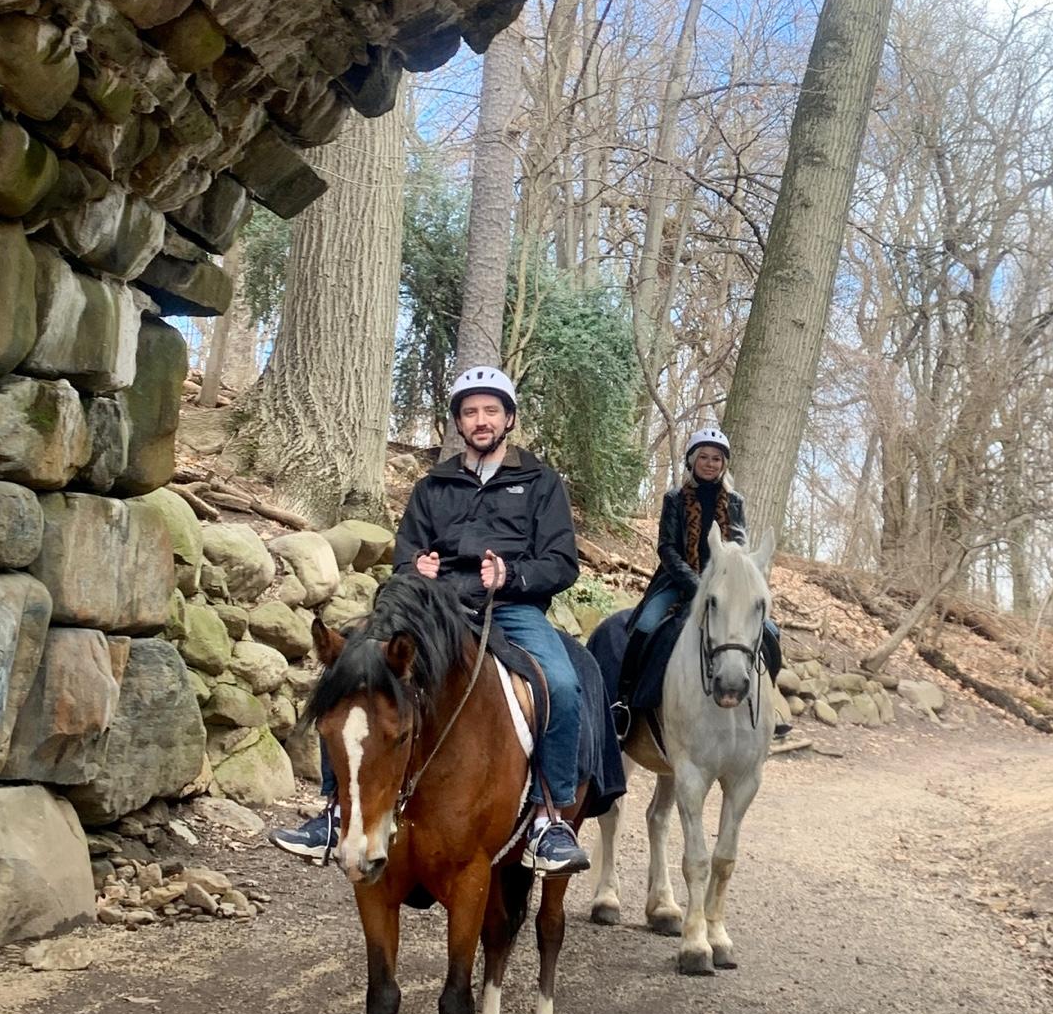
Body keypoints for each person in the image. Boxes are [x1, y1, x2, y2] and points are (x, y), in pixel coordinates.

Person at [270, 366, 591, 876]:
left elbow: (561, 563)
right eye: (470, 412)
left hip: (510, 607)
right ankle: (332, 812)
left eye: (491, 411)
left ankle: (548, 821)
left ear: (509, 419)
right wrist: (413, 569)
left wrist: (511, 575)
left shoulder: (540, 483)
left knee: (563, 685)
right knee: (349, 672)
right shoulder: (432, 486)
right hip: (432, 610)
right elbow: (405, 555)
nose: (481, 420)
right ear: (458, 423)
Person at [614, 425, 781, 738]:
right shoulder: (675, 498)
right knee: (646, 625)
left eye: (716, 459)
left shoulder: (735, 502)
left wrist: (725, 581)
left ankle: (770, 704)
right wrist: (695, 584)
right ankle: (624, 702)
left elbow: (737, 547)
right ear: (692, 460)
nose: (710, 463)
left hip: (725, 585)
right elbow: (667, 548)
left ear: (724, 464)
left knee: (770, 630)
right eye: (704, 457)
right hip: (677, 581)